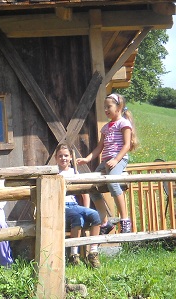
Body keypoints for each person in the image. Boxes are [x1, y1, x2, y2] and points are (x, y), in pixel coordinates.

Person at [76, 93, 138, 234]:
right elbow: (100, 147)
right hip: (106, 162)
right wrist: (87, 159)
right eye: (104, 107)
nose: (106, 109)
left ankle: (125, 219)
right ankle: (105, 222)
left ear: (119, 107)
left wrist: (116, 159)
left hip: (119, 159)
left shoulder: (124, 123)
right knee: (93, 187)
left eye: (108, 106)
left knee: (113, 182)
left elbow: (127, 145)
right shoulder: (105, 128)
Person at [55, 143, 101, 268]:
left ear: (70, 158)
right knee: (77, 218)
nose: (63, 158)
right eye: (60, 156)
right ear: (56, 158)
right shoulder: (54, 173)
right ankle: (74, 254)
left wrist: (86, 209)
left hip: (74, 204)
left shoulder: (74, 172)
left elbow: (84, 192)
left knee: (95, 215)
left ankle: (93, 251)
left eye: (66, 156)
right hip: (62, 205)